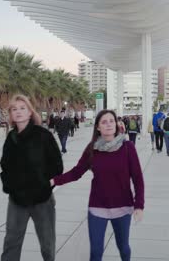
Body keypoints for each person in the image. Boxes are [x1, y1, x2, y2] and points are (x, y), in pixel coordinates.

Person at [50, 110, 144, 261]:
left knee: (124, 249)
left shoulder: (127, 148)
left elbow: (138, 178)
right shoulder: (92, 148)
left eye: (111, 121)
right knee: (95, 252)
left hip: (122, 207)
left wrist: (139, 205)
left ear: (117, 124)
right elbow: (76, 172)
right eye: (104, 122)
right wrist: (54, 181)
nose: (108, 125)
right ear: (98, 127)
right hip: (97, 207)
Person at [0, 94, 63, 261]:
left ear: (29, 112)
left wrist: (45, 184)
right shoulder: (11, 138)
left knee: (47, 244)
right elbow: (4, 165)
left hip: (42, 200)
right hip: (17, 200)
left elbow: (57, 164)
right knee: (11, 242)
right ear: (11, 115)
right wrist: (9, 186)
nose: (18, 112)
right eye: (14, 109)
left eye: (22, 108)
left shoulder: (43, 135)